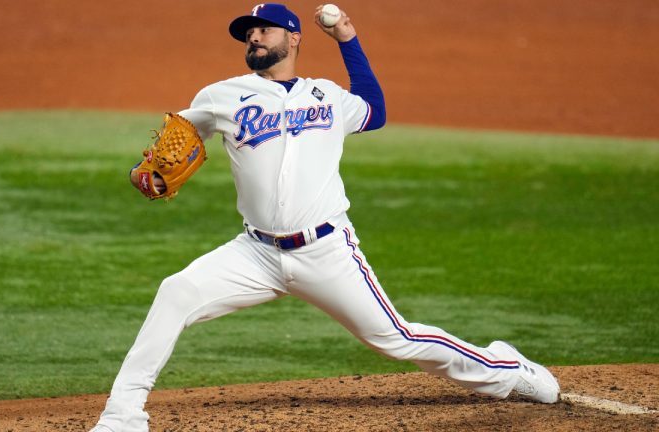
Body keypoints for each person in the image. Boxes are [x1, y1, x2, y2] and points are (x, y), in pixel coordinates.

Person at [90, 4, 559, 431]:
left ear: (293, 38)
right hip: (255, 252)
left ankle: (506, 370)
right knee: (177, 291)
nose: (254, 37)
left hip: (326, 250)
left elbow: (373, 110)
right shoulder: (222, 95)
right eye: (248, 32)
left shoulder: (327, 96)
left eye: (264, 30)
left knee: (396, 339)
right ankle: (123, 415)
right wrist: (144, 172)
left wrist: (348, 39)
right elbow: (181, 134)